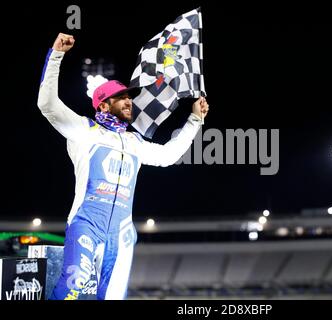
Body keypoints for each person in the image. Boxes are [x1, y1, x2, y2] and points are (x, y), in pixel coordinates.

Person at [37, 33, 209, 300]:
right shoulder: (84, 131)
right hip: (86, 224)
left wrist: (194, 120)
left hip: (121, 231)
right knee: (72, 289)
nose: (129, 102)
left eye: (129, 97)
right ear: (103, 104)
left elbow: (169, 155)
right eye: (121, 98)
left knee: (113, 296)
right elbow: (47, 105)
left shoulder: (134, 142)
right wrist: (56, 56)